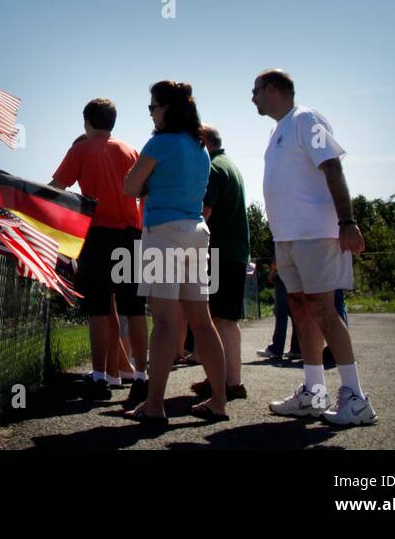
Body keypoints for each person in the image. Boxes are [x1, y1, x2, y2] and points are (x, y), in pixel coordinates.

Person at [253, 69, 377, 426]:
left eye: (256, 91)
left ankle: (356, 398)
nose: (253, 98)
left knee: (323, 309)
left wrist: (347, 222)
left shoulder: (306, 119)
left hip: (316, 234)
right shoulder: (278, 128)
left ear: (273, 89)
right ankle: (314, 391)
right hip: (288, 238)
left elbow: (332, 167)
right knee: (302, 309)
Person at [120, 81, 228, 425]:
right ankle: (219, 401)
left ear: (166, 108)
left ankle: (154, 405)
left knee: (165, 320)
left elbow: (129, 187)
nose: (151, 112)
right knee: (202, 320)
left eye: (152, 106)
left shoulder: (159, 143)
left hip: (162, 232)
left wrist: (150, 180)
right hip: (196, 232)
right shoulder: (200, 147)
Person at [50, 99, 148, 402]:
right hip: (131, 234)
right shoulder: (130, 150)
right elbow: (143, 193)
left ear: (87, 121)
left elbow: (57, 187)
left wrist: (21, 200)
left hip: (97, 236)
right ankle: (142, 376)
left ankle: (100, 377)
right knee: (134, 308)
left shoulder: (81, 149)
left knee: (99, 308)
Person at [189, 125, 249, 401]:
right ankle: (222, 377)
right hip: (232, 253)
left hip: (220, 253)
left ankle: (231, 382)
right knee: (221, 318)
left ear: (203, 143)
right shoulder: (228, 164)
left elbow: (204, 213)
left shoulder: (212, 168)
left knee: (222, 319)